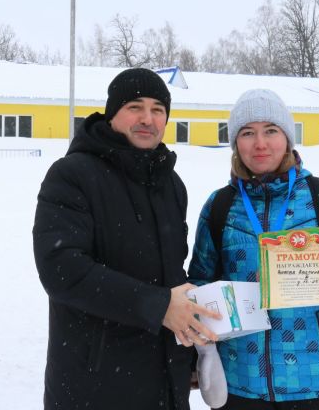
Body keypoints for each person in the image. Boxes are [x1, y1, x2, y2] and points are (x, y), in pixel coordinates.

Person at [33, 68, 221, 410]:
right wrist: (158, 306)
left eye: (158, 109)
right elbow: (62, 270)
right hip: (94, 386)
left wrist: (190, 348)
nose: (147, 118)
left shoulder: (171, 185)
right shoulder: (72, 175)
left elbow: (170, 275)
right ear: (112, 113)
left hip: (164, 383)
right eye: (135, 106)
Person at [188, 88, 319, 409]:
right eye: (248, 133)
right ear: (236, 142)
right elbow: (199, 281)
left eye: (271, 131)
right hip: (241, 384)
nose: (260, 143)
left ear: (287, 138)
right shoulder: (221, 205)